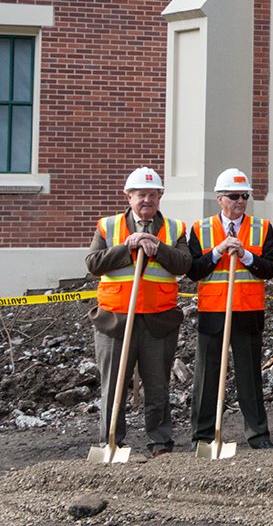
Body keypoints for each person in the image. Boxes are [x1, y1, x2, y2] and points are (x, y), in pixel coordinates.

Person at [85, 167, 191, 458]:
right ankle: (111, 443)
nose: (147, 200)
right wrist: (126, 246)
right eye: (141, 195)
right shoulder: (108, 227)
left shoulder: (175, 228)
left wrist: (157, 248)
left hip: (159, 321)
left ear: (160, 197)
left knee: (157, 387)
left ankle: (160, 444)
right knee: (113, 387)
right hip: (114, 321)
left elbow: (184, 264)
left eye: (153, 195)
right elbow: (93, 263)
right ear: (128, 197)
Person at [187, 168, 273, 449]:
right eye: (233, 196)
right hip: (213, 310)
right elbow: (193, 270)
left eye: (244, 196)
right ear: (219, 198)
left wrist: (247, 255)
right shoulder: (200, 229)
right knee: (207, 377)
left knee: (249, 376)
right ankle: (203, 436)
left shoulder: (262, 228)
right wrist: (218, 251)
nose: (240, 201)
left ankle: (258, 434)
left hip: (247, 310)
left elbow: (270, 268)